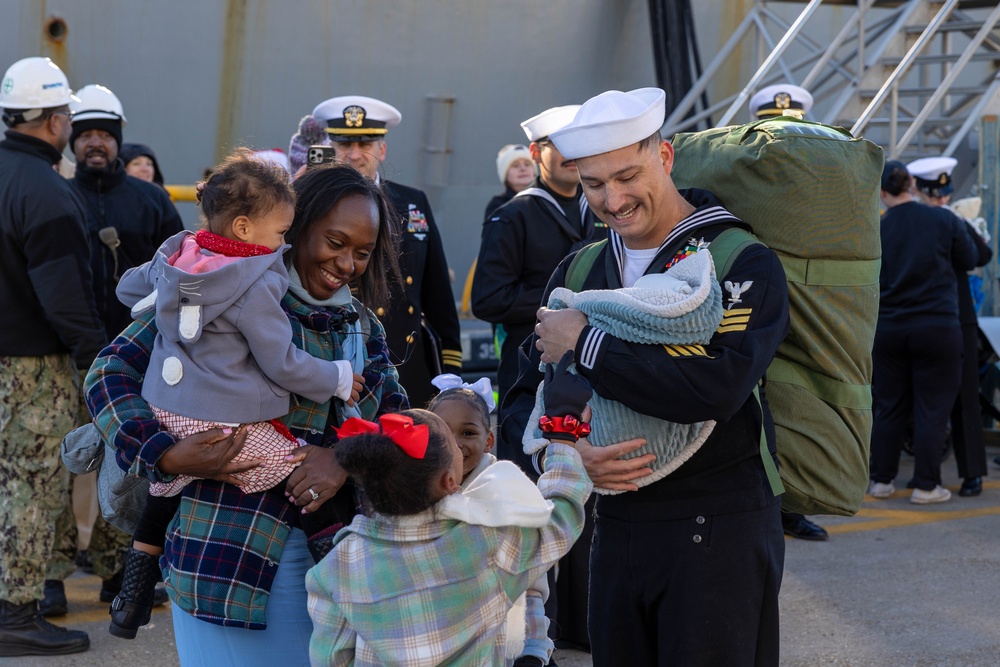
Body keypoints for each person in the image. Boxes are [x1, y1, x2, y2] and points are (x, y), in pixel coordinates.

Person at [501, 87, 790, 666]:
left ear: (665, 157)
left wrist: (586, 341)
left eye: (628, 175)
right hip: (614, 527)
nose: (614, 199)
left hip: (718, 526)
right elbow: (523, 398)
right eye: (594, 184)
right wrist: (561, 454)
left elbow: (716, 389)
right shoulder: (582, 266)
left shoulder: (740, 261)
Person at [84, 163, 407, 665]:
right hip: (219, 560)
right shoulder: (210, 289)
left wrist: (343, 459)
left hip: (333, 565)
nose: (346, 264)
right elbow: (108, 376)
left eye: (361, 253)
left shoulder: (361, 327)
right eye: (335, 242)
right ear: (293, 230)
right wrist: (164, 455)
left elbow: (395, 418)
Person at [306, 353, 593, 667]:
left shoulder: (336, 566)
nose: (458, 446)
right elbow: (562, 514)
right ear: (449, 481)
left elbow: (331, 659)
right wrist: (562, 433)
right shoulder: (490, 545)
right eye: (448, 443)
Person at [44, 83, 184, 616]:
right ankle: (52, 575)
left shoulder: (152, 202)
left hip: (138, 362)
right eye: (86, 135)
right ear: (71, 141)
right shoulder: (59, 195)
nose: (95, 144)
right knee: (60, 466)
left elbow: (184, 273)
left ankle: (116, 568)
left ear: (118, 139)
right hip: (66, 357)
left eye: (105, 134)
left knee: (127, 464)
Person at [0, 55, 105, 657]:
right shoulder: (47, 192)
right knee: (30, 489)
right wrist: (97, 360)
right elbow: (65, 300)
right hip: (31, 370)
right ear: (55, 121)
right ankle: (15, 612)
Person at [312, 95, 462, 407]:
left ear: (382, 149)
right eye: (344, 145)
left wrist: (450, 368)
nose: (354, 154)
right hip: (339, 360)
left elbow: (437, 293)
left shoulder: (412, 202)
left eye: (365, 144)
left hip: (405, 363)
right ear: (331, 149)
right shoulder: (312, 205)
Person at [472, 104, 608, 414]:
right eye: (560, 144)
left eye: (577, 142)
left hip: (595, 368)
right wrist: (563, 300)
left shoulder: (605, 208)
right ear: (536, 152)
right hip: (532, 371)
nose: (571, 154)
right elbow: (488, 299)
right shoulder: (512, 216)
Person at [868, 160, 978, 505]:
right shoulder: (944, 220)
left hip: (888, 328)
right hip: (937, 326)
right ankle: (926, 486)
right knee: (933, 408)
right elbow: (971, 257)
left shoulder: (877, 228)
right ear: (913, 185)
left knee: (888, 406)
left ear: (882, 193)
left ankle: (880, 480)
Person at [748, 82, 829, 541]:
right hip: (753, 297)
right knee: (754, 407)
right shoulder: (740, 169)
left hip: (803, 299)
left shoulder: (816, 171)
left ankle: (792, 505)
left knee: (797, 405)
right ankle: (770, 505)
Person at [427, 374, 554, 667]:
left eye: (468, 433)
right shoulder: (416, 495)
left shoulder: (510, 493)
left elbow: (530, 583)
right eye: (443, 433)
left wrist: (533, 649)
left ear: (489, 440)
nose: (455, 444)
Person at [906, 156, 991, 497]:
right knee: (919, 398)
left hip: (956, 317)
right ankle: (926, 474)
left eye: (944, 195)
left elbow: (982, 257)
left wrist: (959, 221)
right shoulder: (909, 221)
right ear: (920, 191)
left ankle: (972, 473)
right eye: (935, 195)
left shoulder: (952, 219)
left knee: (966, 397)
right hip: (927, 318)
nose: (942, 200)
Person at [485, 143, 535, 218]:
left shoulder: (546, 200)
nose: (523, 169)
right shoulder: (497, 206)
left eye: (527, 164)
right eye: (515, 166)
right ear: (505, 174)